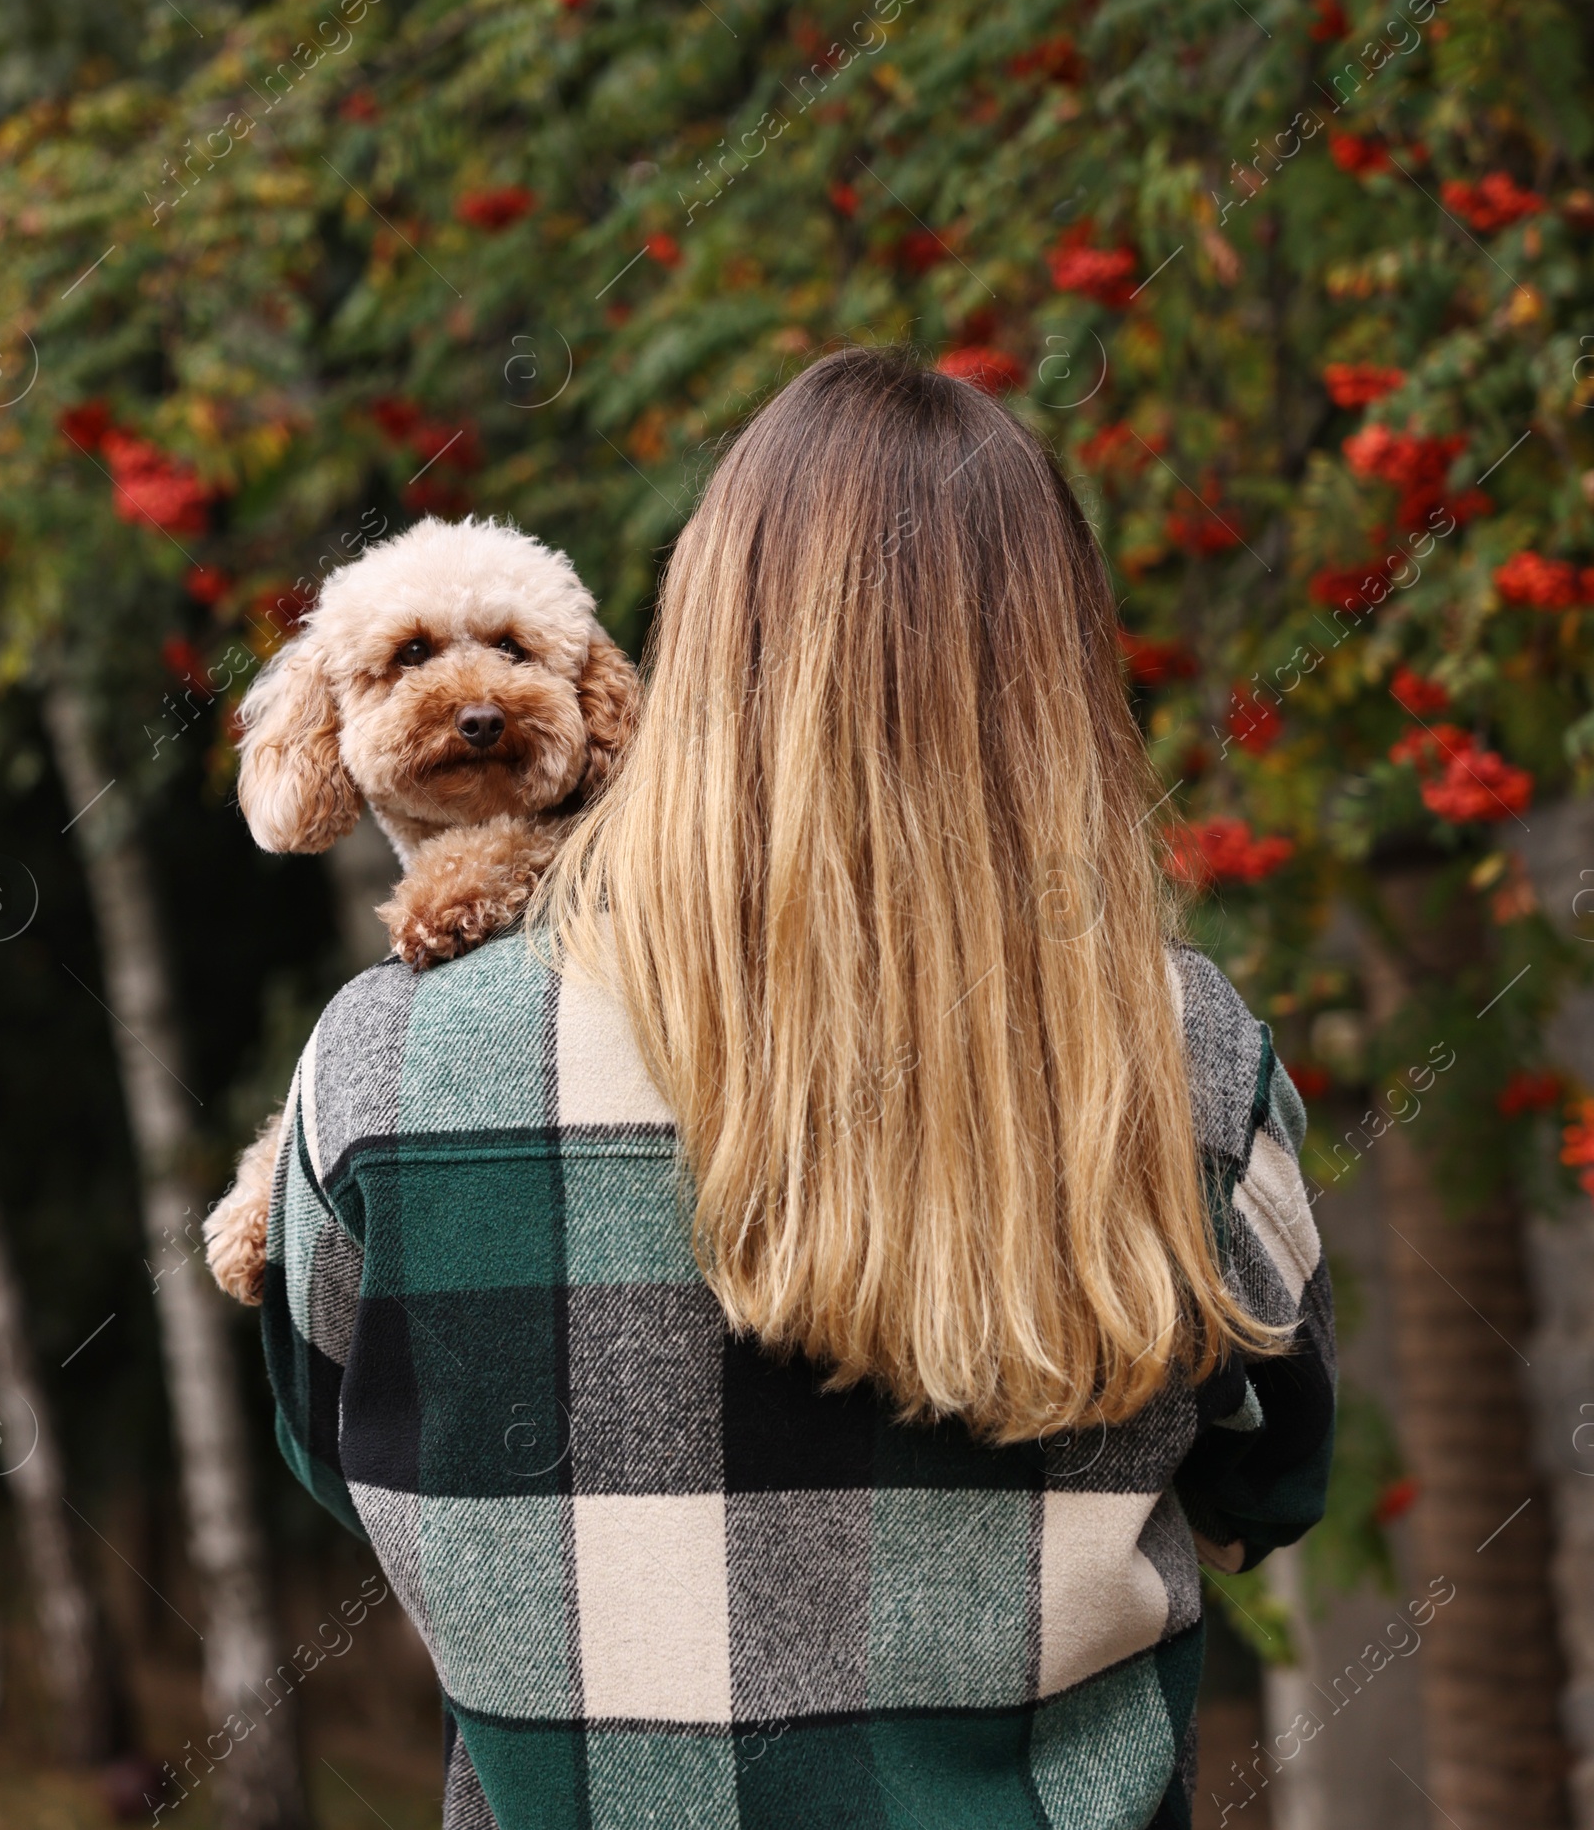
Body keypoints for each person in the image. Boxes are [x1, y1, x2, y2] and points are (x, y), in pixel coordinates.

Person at [263, 347, 1334, 1830]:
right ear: (1060, 669)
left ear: (692, 645)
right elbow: (1267, 1482)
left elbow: (342, 1456)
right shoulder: (1188, 1054)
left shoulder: (386, 1066)